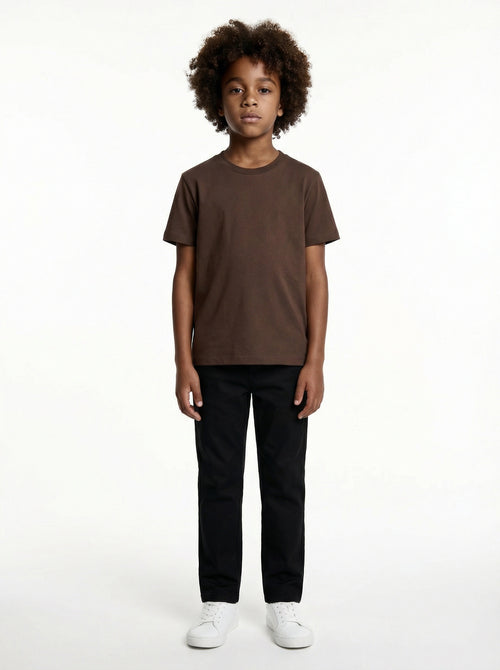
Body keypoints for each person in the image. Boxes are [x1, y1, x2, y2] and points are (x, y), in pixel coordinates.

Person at [163, 18, 340, 649]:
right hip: (214, 360)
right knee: (218, 483)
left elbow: (316, 278)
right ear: (217, 98)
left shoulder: (304, 183)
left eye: (263, 89)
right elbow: (184, 278)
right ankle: (218, 600)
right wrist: (184, 361)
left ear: (284, 100)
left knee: (284, 484)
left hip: (286, 361)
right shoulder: (197, 183)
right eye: (236, 89)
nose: (249, 101)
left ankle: (284, 601)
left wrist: (315, 360)